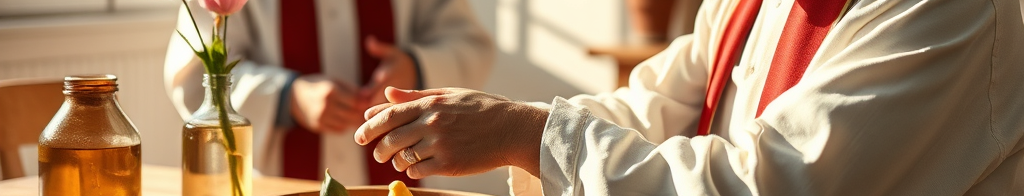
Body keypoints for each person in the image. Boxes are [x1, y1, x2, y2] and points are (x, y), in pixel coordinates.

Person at [355, 0, 1024, 195]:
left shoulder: (943, 9)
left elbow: (775, 184)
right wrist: (500, 123)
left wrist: (529, 134)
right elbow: (653, 109)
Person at [164, 0, 494, 187]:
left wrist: (415, 67)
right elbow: (195, 76)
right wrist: (288, 97)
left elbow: (467, 43)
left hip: (395, 176)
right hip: (279, 175)